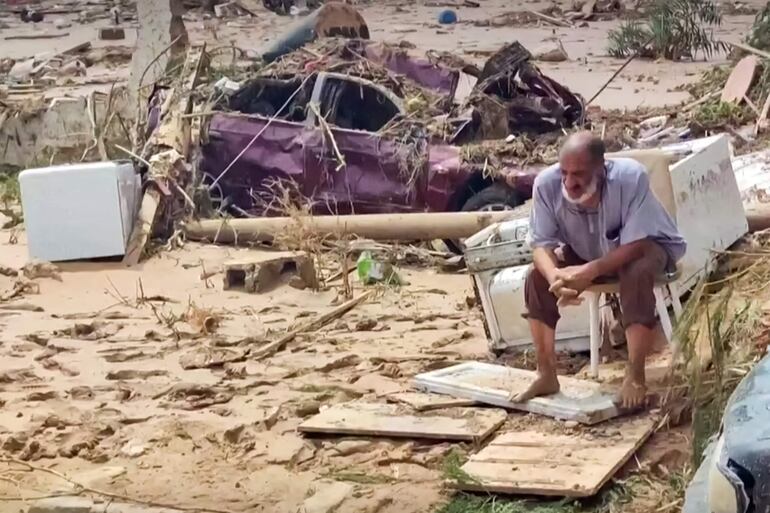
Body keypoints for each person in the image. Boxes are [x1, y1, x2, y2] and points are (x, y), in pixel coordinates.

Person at [514, 132, 686, 409]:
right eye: (565, 173)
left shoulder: (631, 178)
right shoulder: (546, 184)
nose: (570, 183)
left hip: (646, 248)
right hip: (586, 251)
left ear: (601, 170)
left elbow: (636, 244)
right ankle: (546, 373)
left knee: (637, 271)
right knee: (535, 277)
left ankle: (636, 376)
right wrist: (555, 277)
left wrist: (589, 272)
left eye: (579, 174)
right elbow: (540, 246)